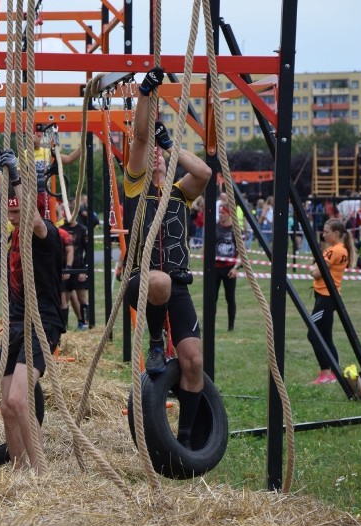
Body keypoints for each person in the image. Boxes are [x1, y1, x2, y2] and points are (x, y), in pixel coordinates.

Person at [122, 66, 212, 450]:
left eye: (161, 159)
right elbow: (141, 136)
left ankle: (187, 439)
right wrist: (146, 93)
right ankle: (157, 340)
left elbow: (204, 172)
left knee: (193, 361)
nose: (155, 161)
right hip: (142, 283)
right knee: (159, 279)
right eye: (153, 158)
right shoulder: (136, 187)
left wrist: (171, 146)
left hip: (177, 286)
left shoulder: (178, 194)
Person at [0, 148, 64, 473]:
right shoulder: (13, 236)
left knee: (20, 400)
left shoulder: (46, 233)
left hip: (41, 322)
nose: (14, 217)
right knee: (6, 407)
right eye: (12, 213)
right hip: (17, 323)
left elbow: (30, 218)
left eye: (19, 213)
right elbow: (4, 208)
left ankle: (41, 471)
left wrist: (15, 173)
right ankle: (19, 470)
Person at [308, 218, 355, 385]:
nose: (323, 234)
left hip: (326, 298)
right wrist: (314, 267)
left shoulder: (335, 250)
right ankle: (334, 372)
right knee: (326, 336)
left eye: (327, 232)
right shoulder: (337, 249)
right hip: (324, 297)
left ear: (336, 233)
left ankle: (326, 373)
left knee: (313, 334)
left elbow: (316, 272)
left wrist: (313, 268)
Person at [214, 205, 239, 331]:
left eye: (223, 212)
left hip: (229, 268)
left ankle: (231, 326)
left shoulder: (234, 230)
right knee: (212, 298)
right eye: (219, 212)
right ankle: (210, 324)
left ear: (229, 214)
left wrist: (236, 268)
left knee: (230, 298)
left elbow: (242, 252)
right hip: (215, 268)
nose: (220, 214)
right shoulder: (215, 227)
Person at [62, 212, 89, 330]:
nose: (65, 217)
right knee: (64, 298)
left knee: (81, 297)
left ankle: (84, 322)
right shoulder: (62, 229)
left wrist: (84, 270)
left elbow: (88, 251)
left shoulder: (82, 229)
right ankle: (64, 325)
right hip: (64, 268)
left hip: (79, 267)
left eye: (67, 215)